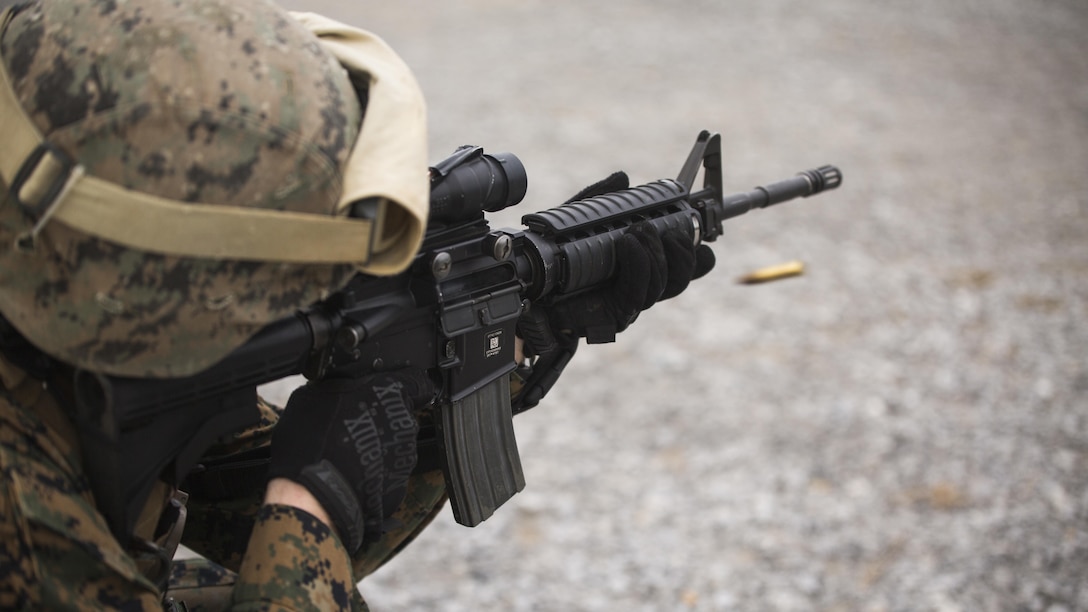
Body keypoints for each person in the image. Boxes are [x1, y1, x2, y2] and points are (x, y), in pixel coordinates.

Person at [0, 0, 711, 609]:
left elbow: (243, 504)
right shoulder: (21, 510)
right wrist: (314, 503)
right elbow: (294, 533)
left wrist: (509, 339)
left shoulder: (80, 323)